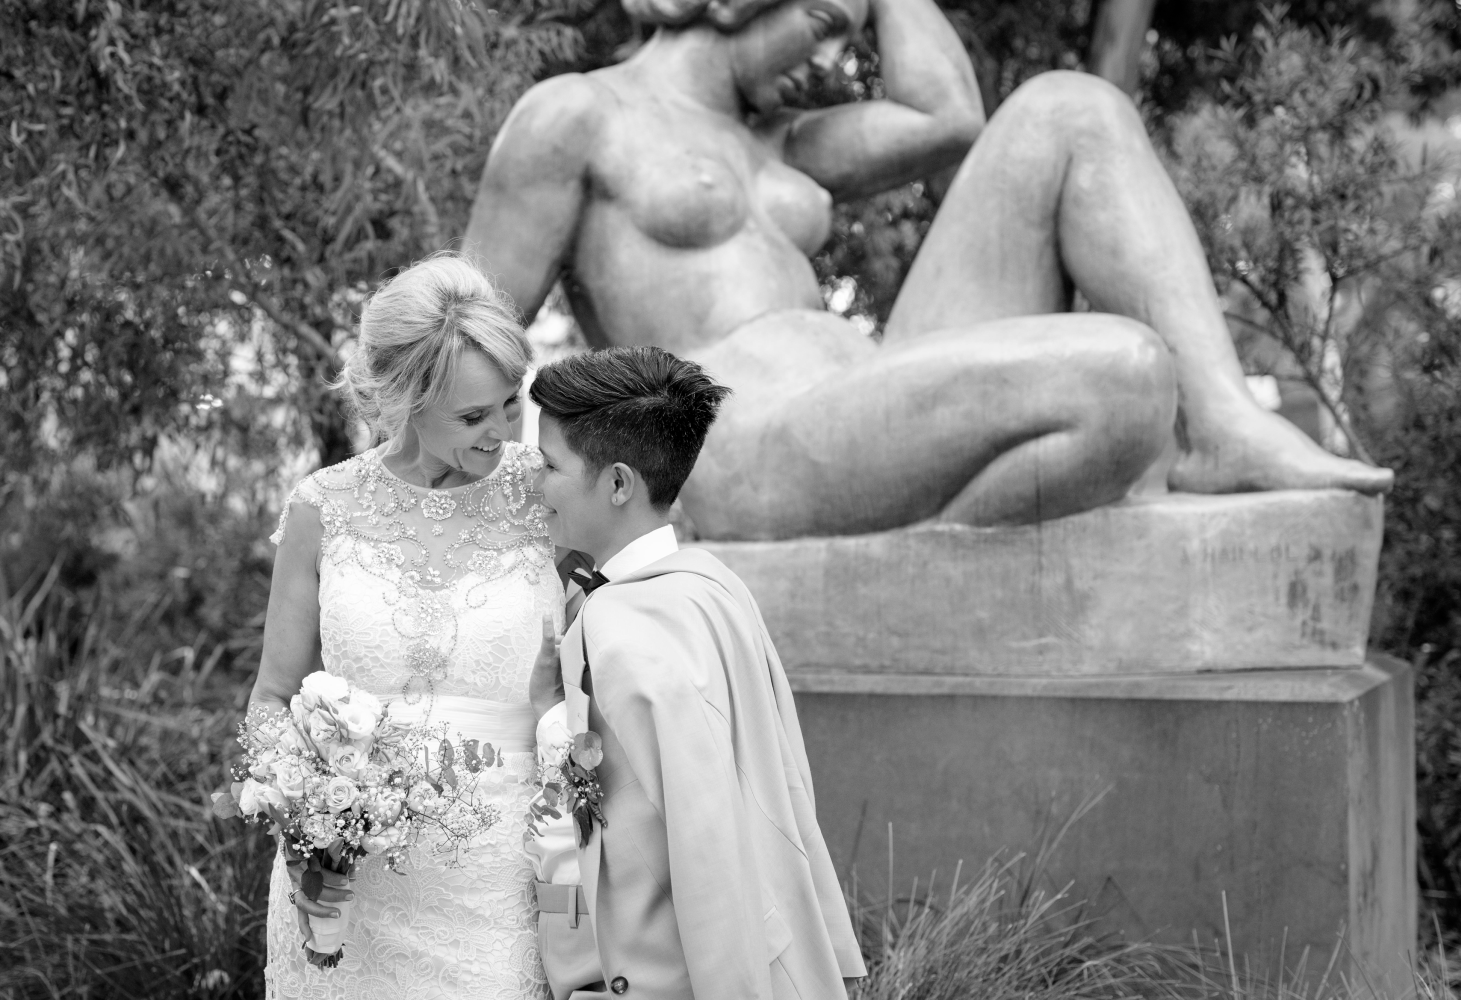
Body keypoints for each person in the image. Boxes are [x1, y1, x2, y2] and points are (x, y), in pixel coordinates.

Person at [464, 0, 1392, 542]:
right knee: (1127, 374)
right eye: (823, 23)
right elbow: (466, 333)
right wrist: (504, 524)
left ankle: (1224, 424)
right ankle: (923, 548)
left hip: (859, 399)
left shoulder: (780, 143)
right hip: (741, 444)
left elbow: (948, 115)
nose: (834, 59)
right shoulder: (579, 116)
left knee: (1072, 109)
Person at [249, 253, 560, 999]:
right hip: (345, 891)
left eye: (510, 403)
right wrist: (302, 820)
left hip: (502, 885)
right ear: (406, 401)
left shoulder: (548, 494)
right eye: (473, 416)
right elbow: (272, 697)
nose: (501, 431)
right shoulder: (323, 506)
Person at [526, 345, 866, 999]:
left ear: (618, 483)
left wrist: (548, 717)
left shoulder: (618, 630)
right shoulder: (714, 584)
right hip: (769, 941)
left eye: (549, 465)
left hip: (671, 972)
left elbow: (698, 835)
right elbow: (783, 781)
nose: (535, 485)